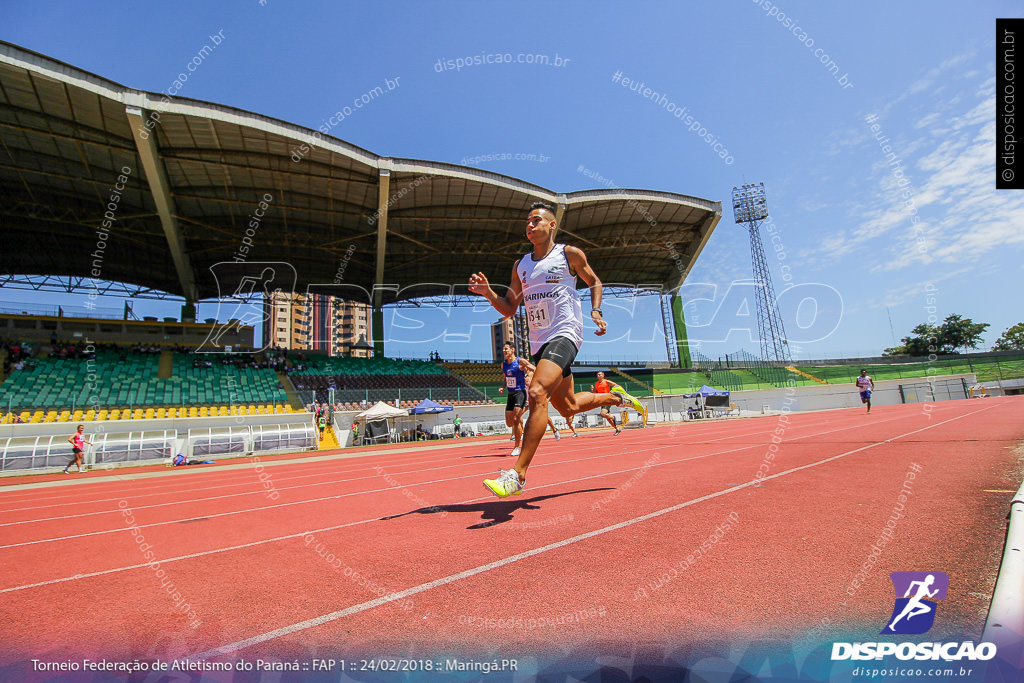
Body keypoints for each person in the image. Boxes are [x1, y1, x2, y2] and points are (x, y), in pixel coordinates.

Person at [469, 201, 646, 498]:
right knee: (569, 407)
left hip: (566, 333)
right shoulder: (521, 265)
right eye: (527, 221)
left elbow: (594, 281)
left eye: (536, 220)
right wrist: (488, 293)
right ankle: (618, 398)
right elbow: (510, 307)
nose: (529, 225)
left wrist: (597, 311)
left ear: (551, 225)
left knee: (537, 392)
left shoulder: (568, 254)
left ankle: (518, 475)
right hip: (539, 343)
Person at [497, 341, 529, 456]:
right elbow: (505, 378)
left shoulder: (520, 361)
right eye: (503, 349)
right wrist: (502, 387)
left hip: (520, 393)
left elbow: (533, 368)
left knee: (516, 419)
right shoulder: (504, 364)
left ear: (512, 350)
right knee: (509, 423)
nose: (504, 351)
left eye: (506, 349)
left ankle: (517, 447)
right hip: (510, 394)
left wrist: (530, 378)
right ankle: (521, 434)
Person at [592, 371, 624, 435]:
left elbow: (616, 385)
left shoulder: (607, 382)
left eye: (600, 374)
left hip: (608, 399)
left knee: (603, 414)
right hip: (602, 401)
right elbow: (596, 393)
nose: (598, 376)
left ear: (603, 375)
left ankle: (613, 417)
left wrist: (617, 392)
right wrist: (593, 390)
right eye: (597, 375)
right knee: (607, 418)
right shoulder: (597, 383)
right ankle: (617, 429)